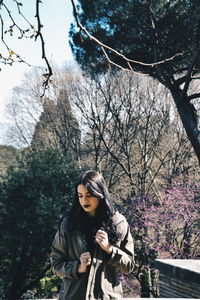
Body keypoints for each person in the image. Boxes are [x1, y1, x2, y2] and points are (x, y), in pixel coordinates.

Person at [50, 170, 134, 300]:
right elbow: (56, 264)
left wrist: (110, 249)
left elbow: (129, 266)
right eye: (80, 195)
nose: (84, 200)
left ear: (99, 194)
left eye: (89, 195)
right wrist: (77, 267)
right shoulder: (69, 224)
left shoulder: (118, 222)